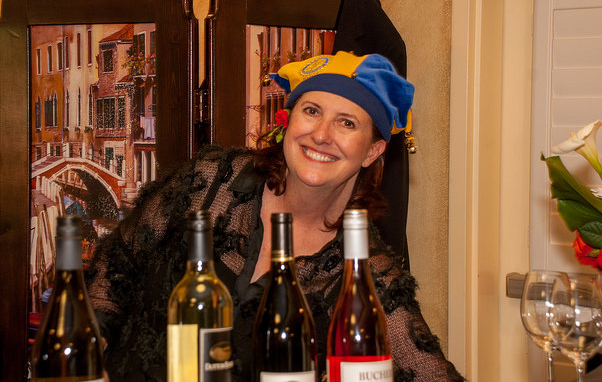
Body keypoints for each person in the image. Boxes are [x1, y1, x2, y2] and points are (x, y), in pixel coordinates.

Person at [87, 51, 465, 382]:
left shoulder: (364, 273)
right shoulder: (211, 182)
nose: (322, 134)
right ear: (289, 120)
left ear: (372, 152)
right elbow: (115, 267)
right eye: (312, 111)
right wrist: (90, 351)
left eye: (347, 122)